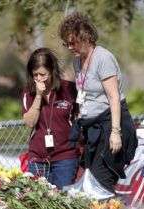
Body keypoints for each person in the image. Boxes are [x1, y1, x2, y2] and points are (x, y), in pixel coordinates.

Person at [59, 12, 138, 193]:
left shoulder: (103, 58)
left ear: (85, 37)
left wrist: (115, 132)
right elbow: (84, 94)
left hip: (111, 124)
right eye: (67, 43)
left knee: (101, 183)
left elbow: (114, 97)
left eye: (73, 42)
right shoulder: (77, 62)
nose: (70, 47)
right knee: (91, 181)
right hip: (92, 128)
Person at [22, 48, 79, 189]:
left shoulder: (69, 89)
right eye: (35, 75)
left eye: (43, 74)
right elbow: (30, 123)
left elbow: (79, 117)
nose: (39, 79)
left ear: (52, 71)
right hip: (38, 158)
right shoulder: (28, 93)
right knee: (38, 202)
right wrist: (38, 96)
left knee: (64, 203)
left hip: (65, 157)